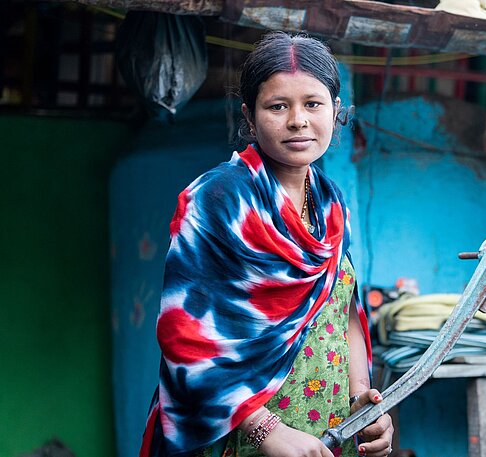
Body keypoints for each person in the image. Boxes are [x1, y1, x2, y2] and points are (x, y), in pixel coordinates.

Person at [139, 31, 394, 457]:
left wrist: (362, 405)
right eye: (278, 106)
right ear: (250, 117)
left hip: (327, 436)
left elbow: (344, 310)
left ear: (336, 110)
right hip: (240, 437)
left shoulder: (332, 205)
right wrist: (267, 431)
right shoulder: (218, 199)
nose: (298, 120)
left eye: (313, 104)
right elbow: (186, 335)